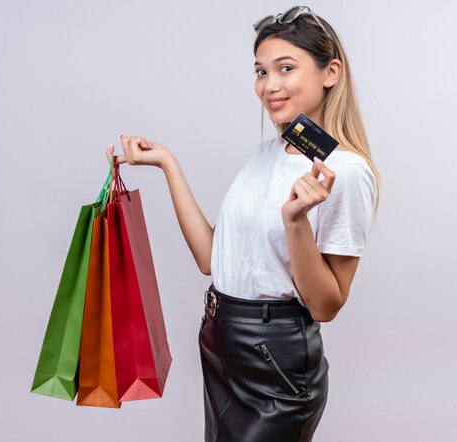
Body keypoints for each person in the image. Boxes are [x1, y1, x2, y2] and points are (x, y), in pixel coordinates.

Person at [105, 5, 381, 441]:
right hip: (221, 340)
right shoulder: (264, 156)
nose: (269, 86)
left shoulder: (345, 172)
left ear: (330, 72)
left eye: (285, 68)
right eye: (260, 71)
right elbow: (211, 259)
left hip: (275, 358)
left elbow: (326, 306)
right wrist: (167, 164)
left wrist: (295, 224)